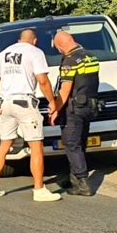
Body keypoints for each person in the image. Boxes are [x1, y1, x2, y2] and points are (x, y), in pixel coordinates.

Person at [0, 28, 62, 202]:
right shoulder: (35, 52)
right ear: (34, 41)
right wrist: (52, 101)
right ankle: (39, 189)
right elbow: (42, 80)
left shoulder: (3, 54)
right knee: (36, 147)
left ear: (19, 40)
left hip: (6, 103)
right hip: (25, 103)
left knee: (4, 146)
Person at [50, 31, 101, 196]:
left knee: (71, 142)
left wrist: (55, 110)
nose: (59, 52)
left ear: (61, 46)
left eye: (58, 48)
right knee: (79, 142)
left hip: (75, 108)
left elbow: (65, 91)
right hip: (90, 106)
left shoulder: (70, 62)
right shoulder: (91, 56)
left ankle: (83, 183)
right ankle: (73, 178)